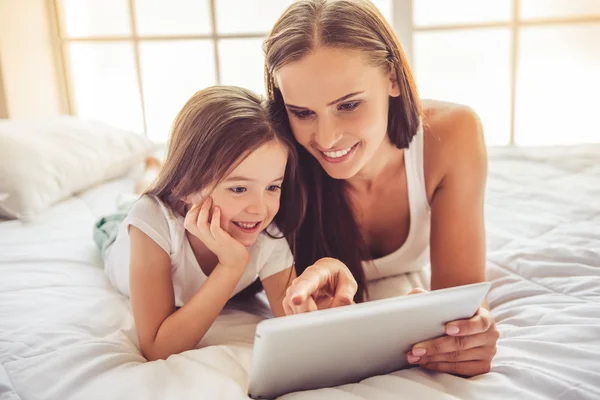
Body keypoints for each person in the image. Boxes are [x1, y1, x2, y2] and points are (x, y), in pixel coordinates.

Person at [264, 0, 499, 377]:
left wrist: (470, 335)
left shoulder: (453, 135)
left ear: (392, 77)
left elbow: (457, 305)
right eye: (302, 113)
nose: (326, 138)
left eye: (349, 105)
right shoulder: (274, 156)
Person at [93, 86, 306, 361]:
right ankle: (151, 169)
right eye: (239, 189)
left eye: (272, 187)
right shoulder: (152, 222)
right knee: (136, 199)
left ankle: (153, 170)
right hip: (119, 234)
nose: (260, 209)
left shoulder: (267, 235)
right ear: (187, 186)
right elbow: (158, 347)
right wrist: (231, 266)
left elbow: (298, 327)